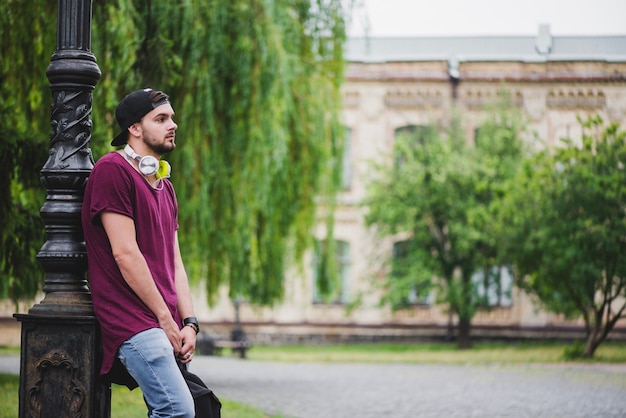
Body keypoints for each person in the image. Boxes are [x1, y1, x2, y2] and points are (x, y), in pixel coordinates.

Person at [82, 88, 198, 417]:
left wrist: (189, 323)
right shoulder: (112, 171)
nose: (172, 124)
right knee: (176, 410)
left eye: (172, 117)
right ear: (134, 128)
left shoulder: (165, 185)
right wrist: (165, 319)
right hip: (133, 320)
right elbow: (125, 254)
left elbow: (175, 263)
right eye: (161, 119)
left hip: (165, 324)